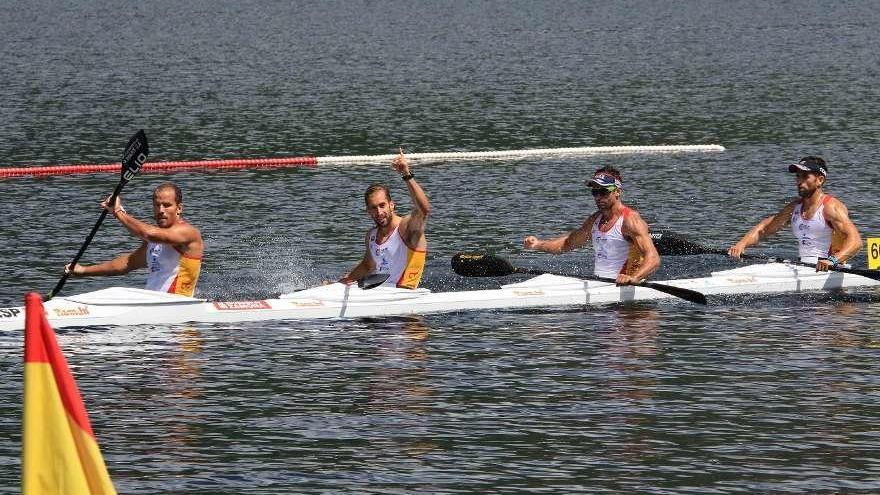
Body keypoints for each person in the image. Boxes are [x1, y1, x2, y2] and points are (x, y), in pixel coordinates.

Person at [523, 166, 660, 285]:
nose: (598, 197)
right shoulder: (595, 220)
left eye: (603, 192)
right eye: (595, 192)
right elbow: (567, 243)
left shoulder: (630, 221)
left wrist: (633, 278)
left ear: (617, 191)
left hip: (625, 289)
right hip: (601, 285)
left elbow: (653, 258)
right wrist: (537, 244)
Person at [65, 182, 204, 296]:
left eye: (167, 205)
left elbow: (149, 233)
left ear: (179, 208)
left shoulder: (188, 233)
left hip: (177, 310)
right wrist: (83, 270)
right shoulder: (152, 242)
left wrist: (118, 212)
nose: (161, 210)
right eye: (157, 205)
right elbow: (127, 263)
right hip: (153, 309)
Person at [727, 156, 862, 271]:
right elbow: (764, 230)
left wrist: (832, 260)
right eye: (798, 176)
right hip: (804, 266)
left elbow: (856, 242)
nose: (799, 181)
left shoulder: (831, 207)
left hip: (829, 268)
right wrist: (741, 244)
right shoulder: (794, 207)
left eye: (805, 176)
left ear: (820, 180)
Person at [340, 148, 430, 289]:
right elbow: (367, 265)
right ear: (368, 211)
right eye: (373, 208)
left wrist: (406, 174)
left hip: (404, 297)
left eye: (382, 205)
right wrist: (341, 283)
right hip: (377, 294)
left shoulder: (406, 227)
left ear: (392, 205)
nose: (379, 212)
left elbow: (423, 210)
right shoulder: (371, 236)